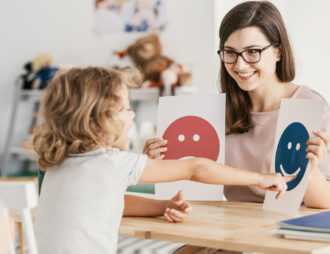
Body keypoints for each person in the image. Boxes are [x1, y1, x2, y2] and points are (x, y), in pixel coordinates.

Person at [33, 66, 291, 254]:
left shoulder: (59, 165)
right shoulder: (110, 162)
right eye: (125, 108)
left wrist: (163, 206)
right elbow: (196, 168)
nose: (132, 115)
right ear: (98, 120)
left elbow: (110, 200)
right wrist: (261, 178)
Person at [144, 1, 330, 253]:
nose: (240, 65)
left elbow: (324, 205)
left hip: (283, 239)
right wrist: (156, 164)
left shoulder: (308, 105)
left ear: (278, 52)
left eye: (252, 51)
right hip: (230, 234)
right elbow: (194, 187)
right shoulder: (216, 113)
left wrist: (310, 169)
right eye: (230, 52)